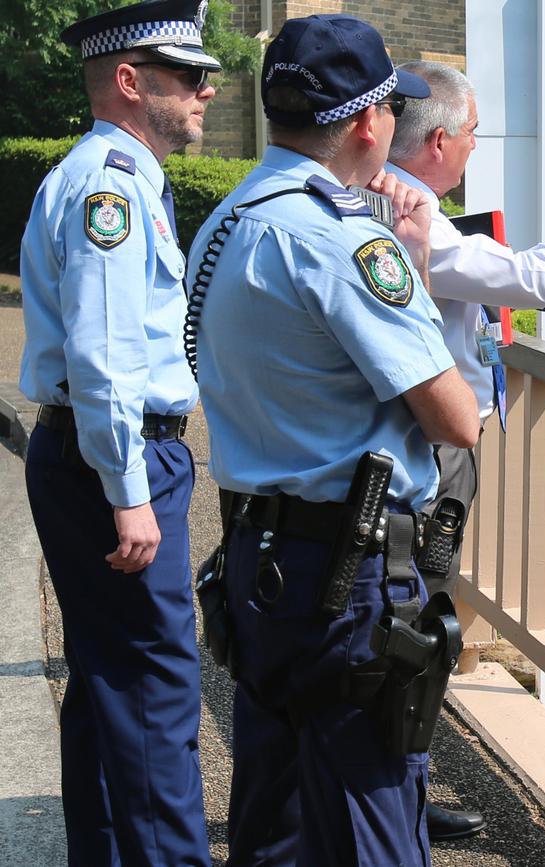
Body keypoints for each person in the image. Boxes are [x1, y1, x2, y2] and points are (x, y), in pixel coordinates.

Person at [188, 13, 480, 867]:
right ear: (366, 123)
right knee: (369, 829)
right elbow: (456, 416)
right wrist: (410, 260)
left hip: (257, 552)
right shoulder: (340, 240)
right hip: (344, 582)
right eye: (394, 107)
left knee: (274, 823)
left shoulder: (230, 217)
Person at [384, 60, 545, 840]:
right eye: (472, 135)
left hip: (414, 439)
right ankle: (398, 803)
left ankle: (397, 792)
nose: (474, 149)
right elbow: (535, 279)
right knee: (418, 618)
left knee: (412, 613)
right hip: (431, 445)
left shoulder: (382, 199)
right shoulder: (415, 218)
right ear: (438, 140)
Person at [19, 1, 221, 864]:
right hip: (118, 451)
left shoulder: (115, 176)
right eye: (189, 75)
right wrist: (129, 489)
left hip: (99, 450)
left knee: (111, 677)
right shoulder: (111, 186)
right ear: (133, 83)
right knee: (155, 685)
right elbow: (103, 354)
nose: (207, 89)